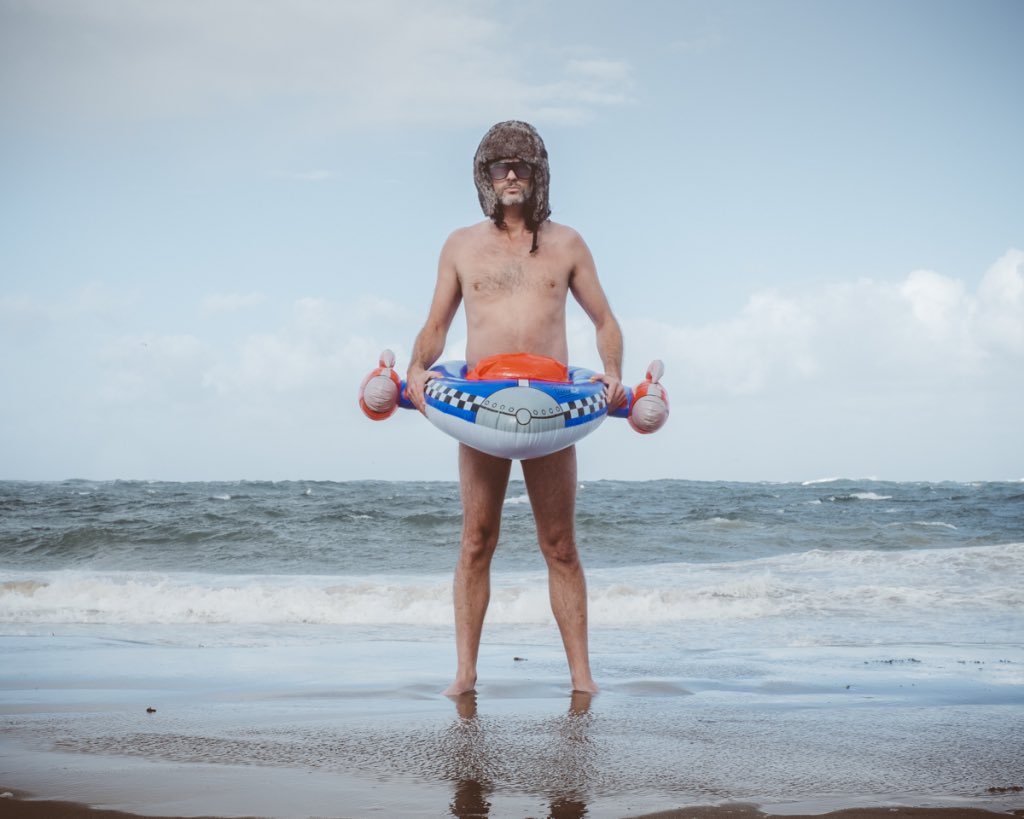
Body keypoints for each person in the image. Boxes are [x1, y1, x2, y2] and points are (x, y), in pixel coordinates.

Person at [404, 121, 625, 696]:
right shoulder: (460, 246)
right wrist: (416, 371)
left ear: (538, 172)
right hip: (480, 408)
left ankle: (582, 677)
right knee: (477, 539)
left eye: (521, 165)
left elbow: (605, 321)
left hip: (554, 409)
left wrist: (615, 375)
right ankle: (465, 674)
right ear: (484, 174)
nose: (510, 174)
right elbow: (436, 326)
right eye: (499, 165)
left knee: (560, 544)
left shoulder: (568, 244)